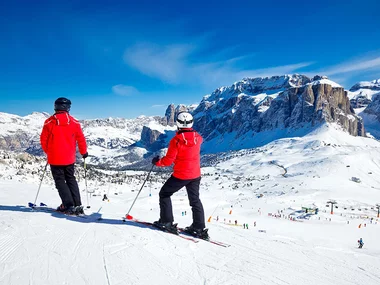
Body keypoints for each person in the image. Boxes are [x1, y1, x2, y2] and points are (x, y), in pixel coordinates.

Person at [152, 112, 209, 240]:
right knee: (195, 200)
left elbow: (167, 161)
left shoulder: (176, 141)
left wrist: (157, 162)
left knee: (165, 194)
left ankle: (166, 222)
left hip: (181, 175)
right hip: (195, 174)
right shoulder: (198, 138)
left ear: (177, 123)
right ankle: (199, 228)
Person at [40, 97, 88, 215]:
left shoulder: (49, 122)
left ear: (56, 107)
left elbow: (43, 140)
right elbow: (80, 139)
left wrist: (49, 152)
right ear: (68, 108)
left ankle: (68, 205)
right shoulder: (74, 122)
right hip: (69, 158)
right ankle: (78, 205)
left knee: (60, 181)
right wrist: (84, 152)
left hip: (55, 158)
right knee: (71, 179)